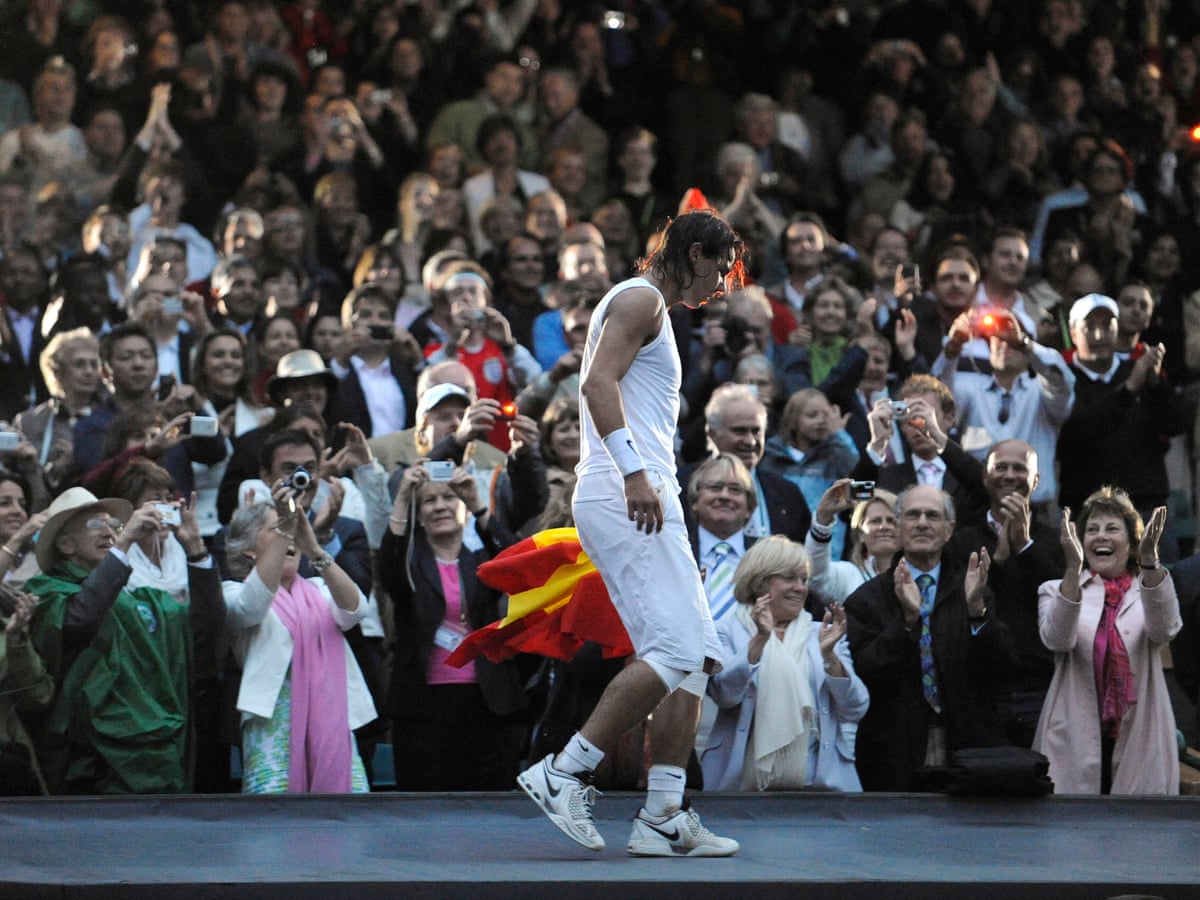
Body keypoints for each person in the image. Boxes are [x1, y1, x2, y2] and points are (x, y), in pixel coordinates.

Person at [517, 210, 742, 857]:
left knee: (697, 653)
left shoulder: (652, 307)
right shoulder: (642, 298)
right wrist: (636, 472)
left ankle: (664, 815)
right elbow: (594, 384)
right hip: (628, 492)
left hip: (640, 491)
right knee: (674, 649)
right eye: (720, 269)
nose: (721, 286)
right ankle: (564, 772)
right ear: (697, 254)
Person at [26, 486, 223, 794]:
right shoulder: (47, 591)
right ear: (65, 544)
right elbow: (80, 621)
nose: (108, 532)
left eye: (113, 525)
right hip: (91, 761)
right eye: (94, 525)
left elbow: (202, 627)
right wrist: (127, 540)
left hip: (153, 748)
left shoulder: (140, 600)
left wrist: (195, 546)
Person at [845, 485, 1015, 791]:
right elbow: (865, 673)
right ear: (897, 527)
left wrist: (977, 612)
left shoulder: (973, 587)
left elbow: (1001, 671)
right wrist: (906, 622)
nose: (922, 522)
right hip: (893, 748)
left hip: (966, 745)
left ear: (949, 530)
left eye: (932, 516)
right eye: (912, 515)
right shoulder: (867, 599)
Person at [378, 461, 526, 791]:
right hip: (423, 707)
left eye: (449, 497)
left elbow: (518, 565)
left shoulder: (481, 562)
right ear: (419, 513)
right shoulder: (411, 563)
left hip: (486, 704)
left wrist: (477, 503)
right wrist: (403, 497)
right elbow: (389, 567)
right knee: (426, 808)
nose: (441, 506)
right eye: (430, 501)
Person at [221, 496, 374, 794]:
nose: (288, 535)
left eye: (290, 530)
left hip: (331, 723)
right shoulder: (231, 591)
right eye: (276, 529)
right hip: (271, 728)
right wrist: (286, 528)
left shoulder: (319, 589)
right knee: (274, 826)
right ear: (250, 549)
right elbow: (252, 606)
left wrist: (315, 549)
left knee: (346, 818)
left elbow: (357, 611)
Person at [1034, 488, 1182, 794]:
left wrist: (1151, 562)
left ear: (1130, 544)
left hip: (1139, 733)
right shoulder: (1055, 589)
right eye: (1092, 530)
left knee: (1137, 835)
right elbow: (1057, 640)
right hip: (1073, 736)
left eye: (1112, 529)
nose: (1101, 537)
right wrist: (1072, 571)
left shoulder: (1150, 589)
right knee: (1071, 835)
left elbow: (1165, 630)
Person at [703, 536, 869, 791]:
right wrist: (760, 640)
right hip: (740, 791)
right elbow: (725, 695)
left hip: (820, 790)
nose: (801, 588)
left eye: (804, 579)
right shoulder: (724, 631)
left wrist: (830, 659)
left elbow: (855, 708)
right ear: (760, 582)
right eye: (789, 578)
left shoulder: (821, 634)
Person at [806, 479, 900, 611]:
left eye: (891, 521)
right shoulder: (849, 576)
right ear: (860, 534)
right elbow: (816, 577)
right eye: (875, 521)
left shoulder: (919, 573)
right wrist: (823, 518)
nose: (883, 526)